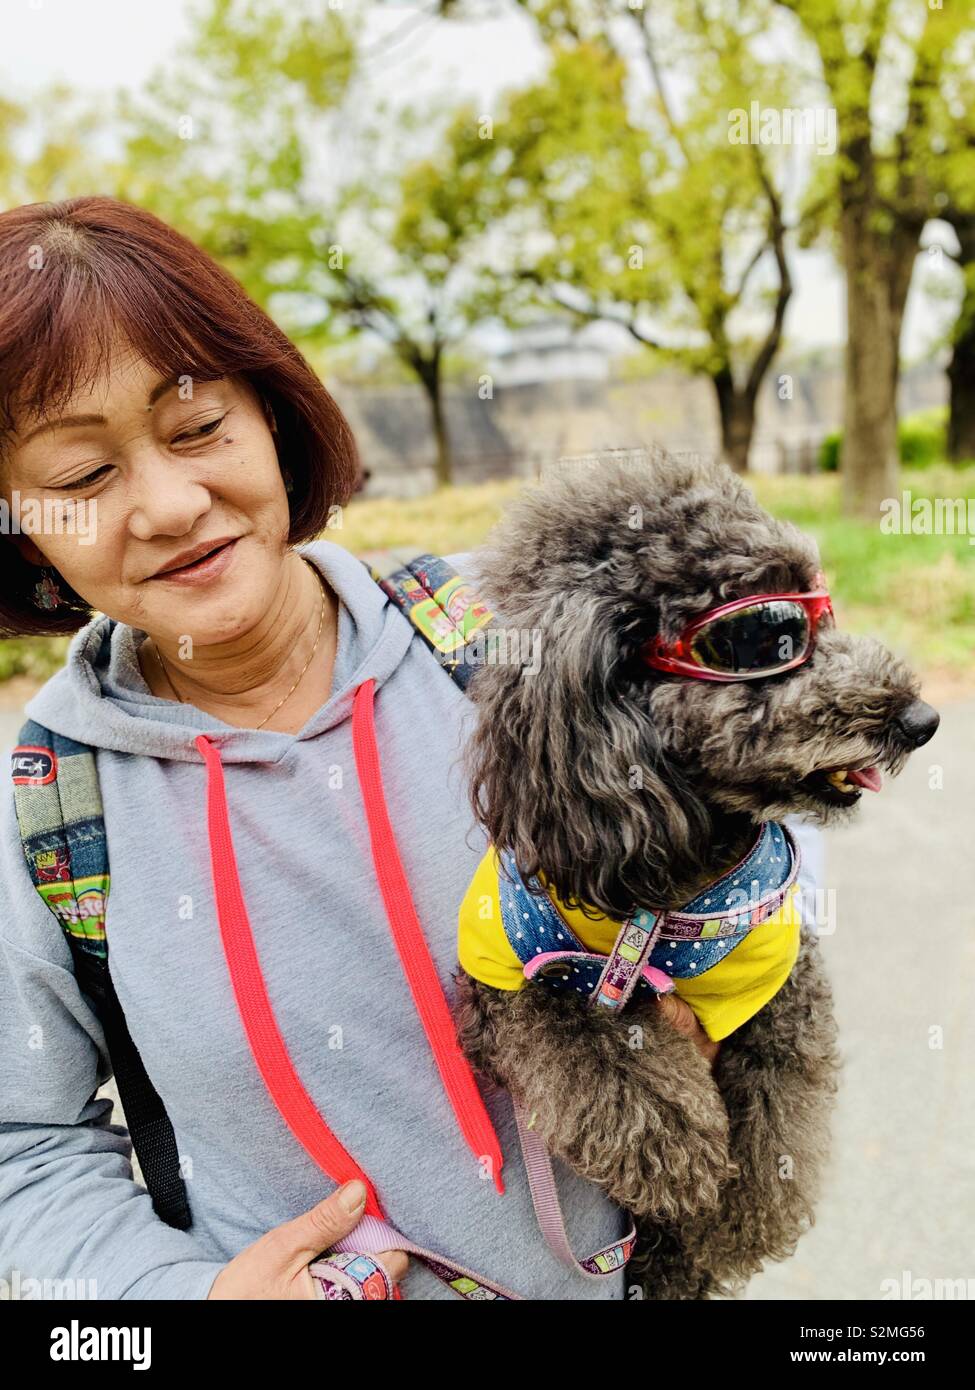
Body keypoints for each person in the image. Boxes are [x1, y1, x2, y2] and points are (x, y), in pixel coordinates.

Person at [0, 196, 740, 1302]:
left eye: (198, 427)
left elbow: (747, 813)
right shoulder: (53, 809)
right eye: (81, 478)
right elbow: (25, 1149)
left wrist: (718, 991)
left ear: (272, 413)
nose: (169, 500)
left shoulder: (510, 646)